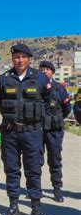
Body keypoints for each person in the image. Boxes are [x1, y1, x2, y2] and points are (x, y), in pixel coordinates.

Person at [0, 43, 52, 215]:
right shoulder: (3, 79)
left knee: (33, 170)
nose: (20, 60)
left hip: (32, 132)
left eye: (23, 57)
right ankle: (13, 206)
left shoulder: (41, 78)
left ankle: (36, 208)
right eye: (17, 57)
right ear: (13, 59)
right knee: (11, 170)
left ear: (29, 59)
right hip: (11, 132)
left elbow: (48, 101)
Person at [39, 61, 71, 203]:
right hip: (38, 129)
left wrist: (56, 119)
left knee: (55, 160)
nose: (45, 71)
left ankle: (57, 189)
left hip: (54, 130)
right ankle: (35, 189)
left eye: (47, 69)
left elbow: (67, 108)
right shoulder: (35, 88)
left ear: (52, 72)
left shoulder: (59, 89)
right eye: (42, 69)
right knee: (35, 160)